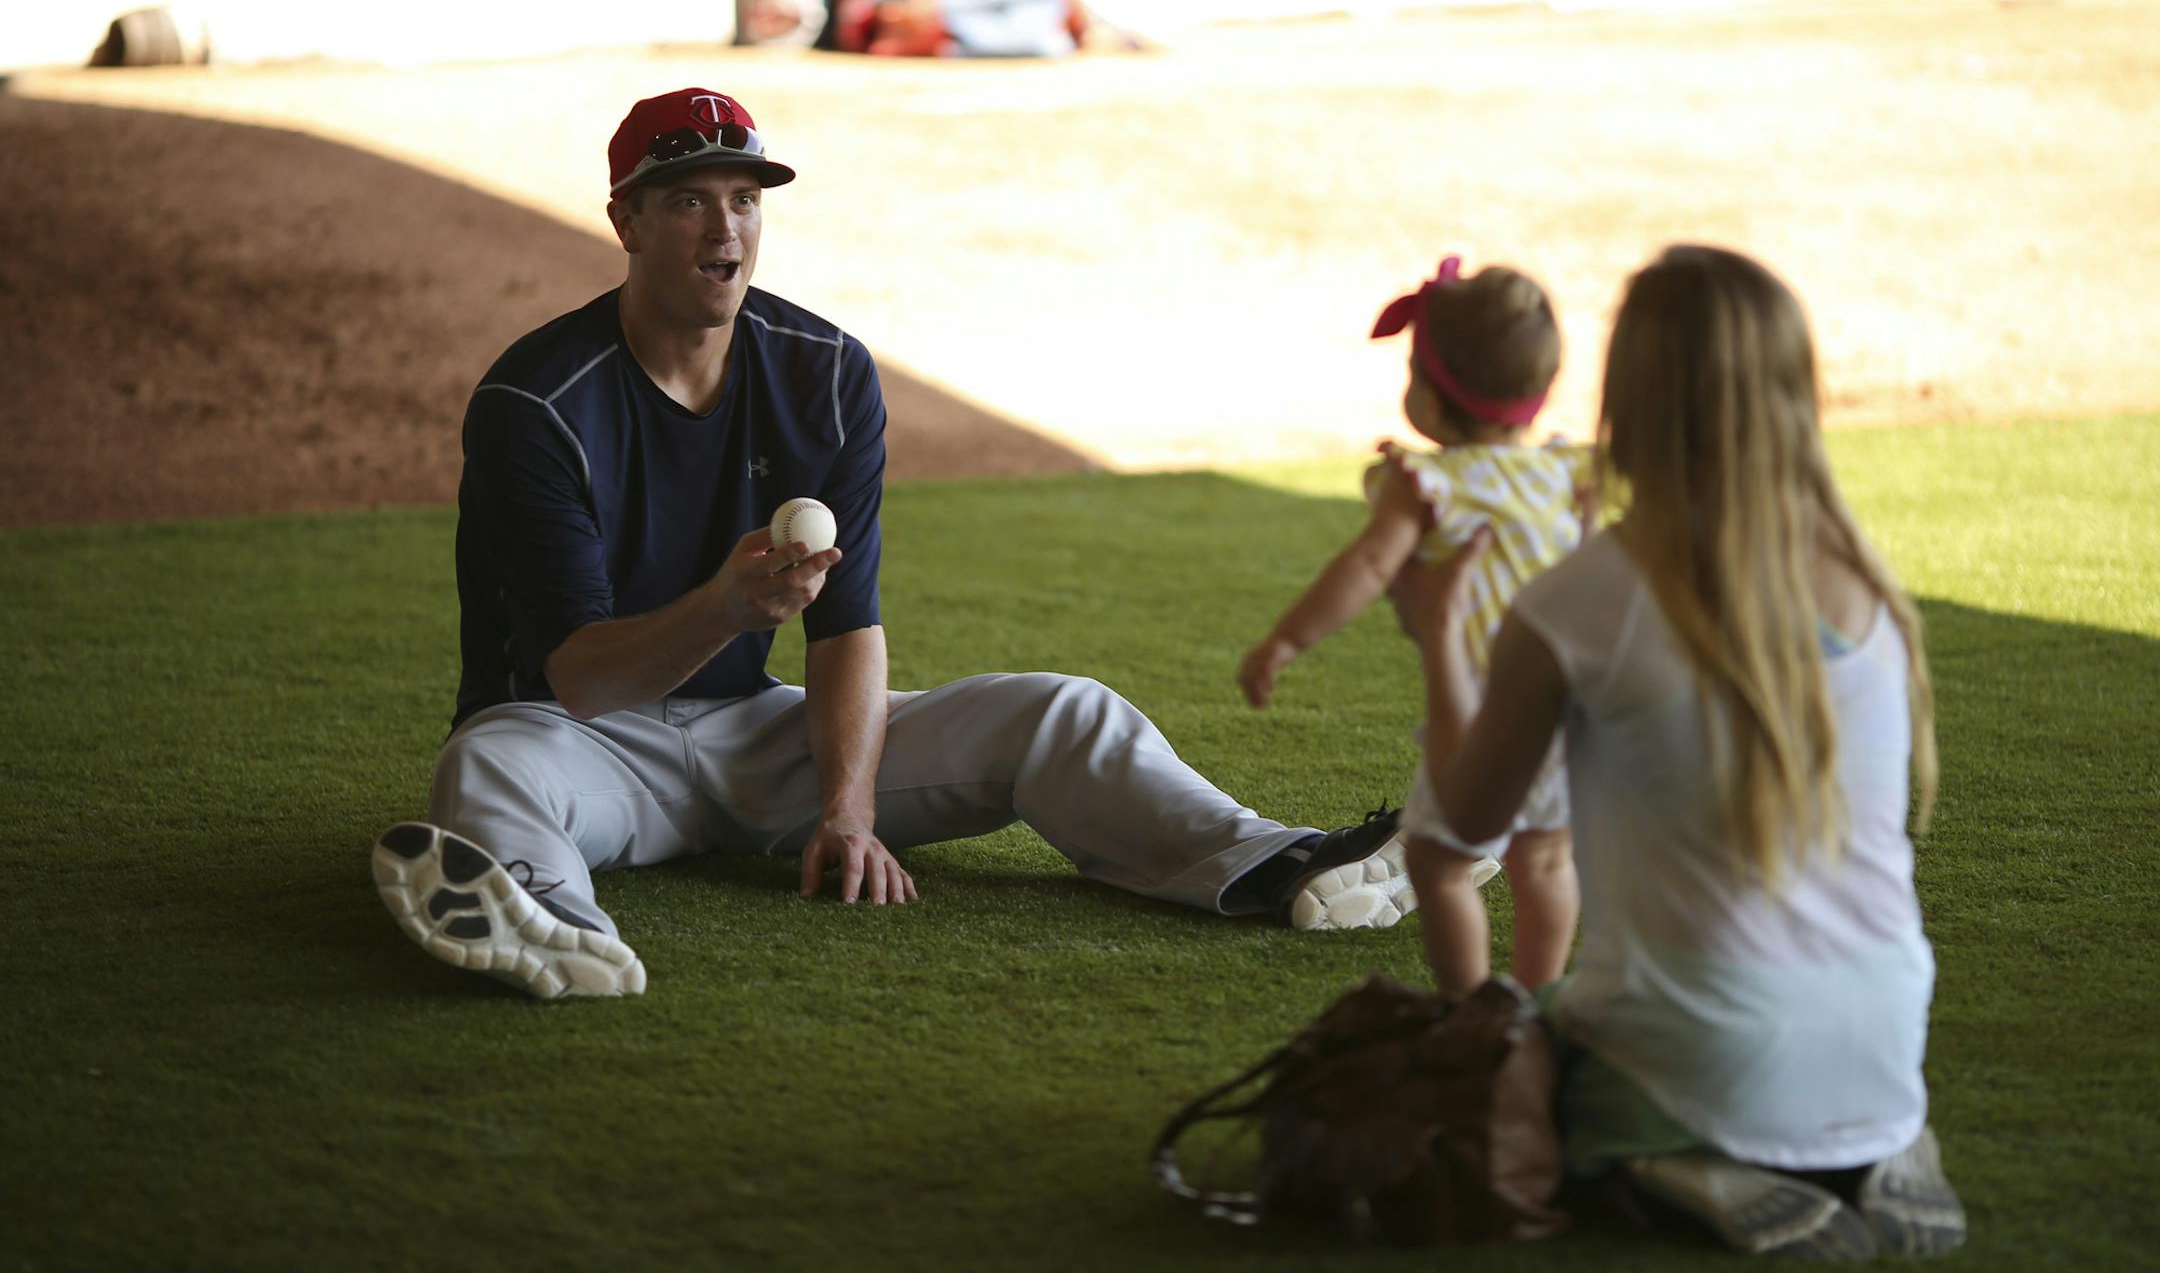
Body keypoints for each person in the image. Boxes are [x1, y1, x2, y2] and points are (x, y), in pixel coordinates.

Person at [369, 87, 1410, 999]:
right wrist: (728, 608)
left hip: (755, 735)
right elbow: (583, 680)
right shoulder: (537, 403)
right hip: (577, 744)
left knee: (1060, 710)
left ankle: (1285, 865)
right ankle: (548, 923)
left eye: (745, 198)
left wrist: (848, 812)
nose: (722, 228)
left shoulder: (823, 372)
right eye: (688, 199)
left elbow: (846, 623)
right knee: (485, 767)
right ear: (627, 221)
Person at [1390, 245, 1964, 1258]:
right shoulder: (1867, 583)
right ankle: (1874, 1147)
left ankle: (1667, 1154)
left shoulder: (1581, 599)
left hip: (1705, 1055)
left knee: (1526, 1045)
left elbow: (1471, 817)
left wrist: (1437, 634)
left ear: (1629, 397)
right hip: (1889, 1039)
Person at [1237, 256, 1587, 970]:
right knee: (1547, 860)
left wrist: (1285, 640)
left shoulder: (1426, 484)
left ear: (1430, 393)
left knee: (1438, 860)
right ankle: (1533, 998)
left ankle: (1467, 1005)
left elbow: (1368, 567)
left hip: (1478, 708)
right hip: (1567, 701)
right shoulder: (1566, 472)